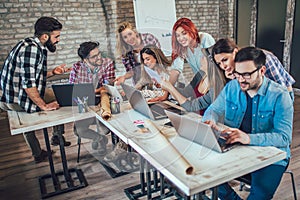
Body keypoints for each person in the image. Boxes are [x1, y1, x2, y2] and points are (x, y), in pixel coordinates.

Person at [202, 47, 293, 200]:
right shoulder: (232, 87)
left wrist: (249, 138)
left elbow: (284, 138)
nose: (241, 79)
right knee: (203, 172)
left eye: (247, 74)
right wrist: (210, 120)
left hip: (272, 157)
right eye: (238, 74)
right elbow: (213, 110)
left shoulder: (280, 95)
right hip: (238, 150)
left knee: (259, 195)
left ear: (262, 71)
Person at [0, 17, 71, 163]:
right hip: (14, 98)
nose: (58, 40)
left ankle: (55, 137)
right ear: (45, 36)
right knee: (29, 118)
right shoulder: (31, 49)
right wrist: (43, 106)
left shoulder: (30, 44)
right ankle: (39, 152)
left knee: (56, 95)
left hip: (13, 93)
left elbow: (29, 75)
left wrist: (53, 72)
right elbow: (28, 84)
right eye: (56, 36)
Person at [151, 17, 216, 102]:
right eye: (178, 36)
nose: (181, 38)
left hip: (214, 86)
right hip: (201, 86)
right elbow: (175, 70)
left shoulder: (204, 39)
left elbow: (213, 66)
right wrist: (165, 94)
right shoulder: (183, 47)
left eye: (184, 33)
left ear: (191, 30)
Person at [211, 38, 295, 100]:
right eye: (219, 63)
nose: (223, 66)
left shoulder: (264, 59)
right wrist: (233, 78)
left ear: (235, 52)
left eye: (225, 60)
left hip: (283, 94)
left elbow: (281, 87)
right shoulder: (233, 70)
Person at [69, 41, 114, 155]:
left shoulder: (107, 63)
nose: (99, 58)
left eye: (99, 54)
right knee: (79, 131)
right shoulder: (76, 68)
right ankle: (98, 138)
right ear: (85, 60)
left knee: (105, 128)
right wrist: (93, 91)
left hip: (101, 102)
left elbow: (108, 86)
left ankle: (102, 146)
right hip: (85, 104)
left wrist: (92, 91)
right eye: (94, 57)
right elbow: (72, 89)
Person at [161, 46, 227, 115]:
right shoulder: (200, 74)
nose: (200, 60)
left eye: (203, 57)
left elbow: (191, 107)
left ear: (211, 63)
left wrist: (170, 88)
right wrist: (166, 86)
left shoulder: (218, 86)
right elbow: (185, 92)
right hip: (193, 117)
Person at [114, 21, 161, 86]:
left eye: (130, 34)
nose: (129, 38)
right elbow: (131, 71)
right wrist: (124, 77)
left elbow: (159, 59)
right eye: (125, 37)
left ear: (135, 32)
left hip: (157, 79)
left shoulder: (149, 39)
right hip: (140, 83)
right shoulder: (125, 51)